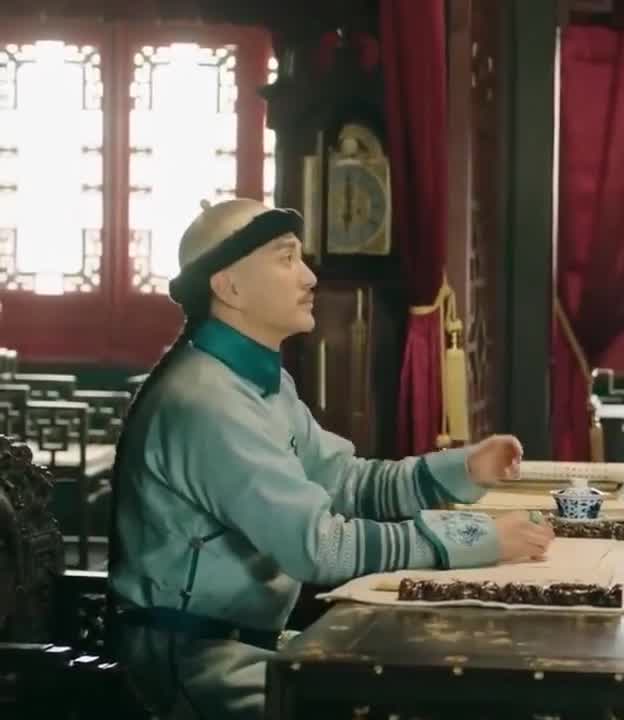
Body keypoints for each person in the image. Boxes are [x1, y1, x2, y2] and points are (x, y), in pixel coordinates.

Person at [106, 198, 555, 720]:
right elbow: (318, 547)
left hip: (245, 647)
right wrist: (477, 537)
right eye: (286, 258)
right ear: (229, 287)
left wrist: (463, 468)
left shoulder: (256, 382)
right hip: (194, 667)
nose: (309, 276)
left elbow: (345, 481)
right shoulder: (207, 401)